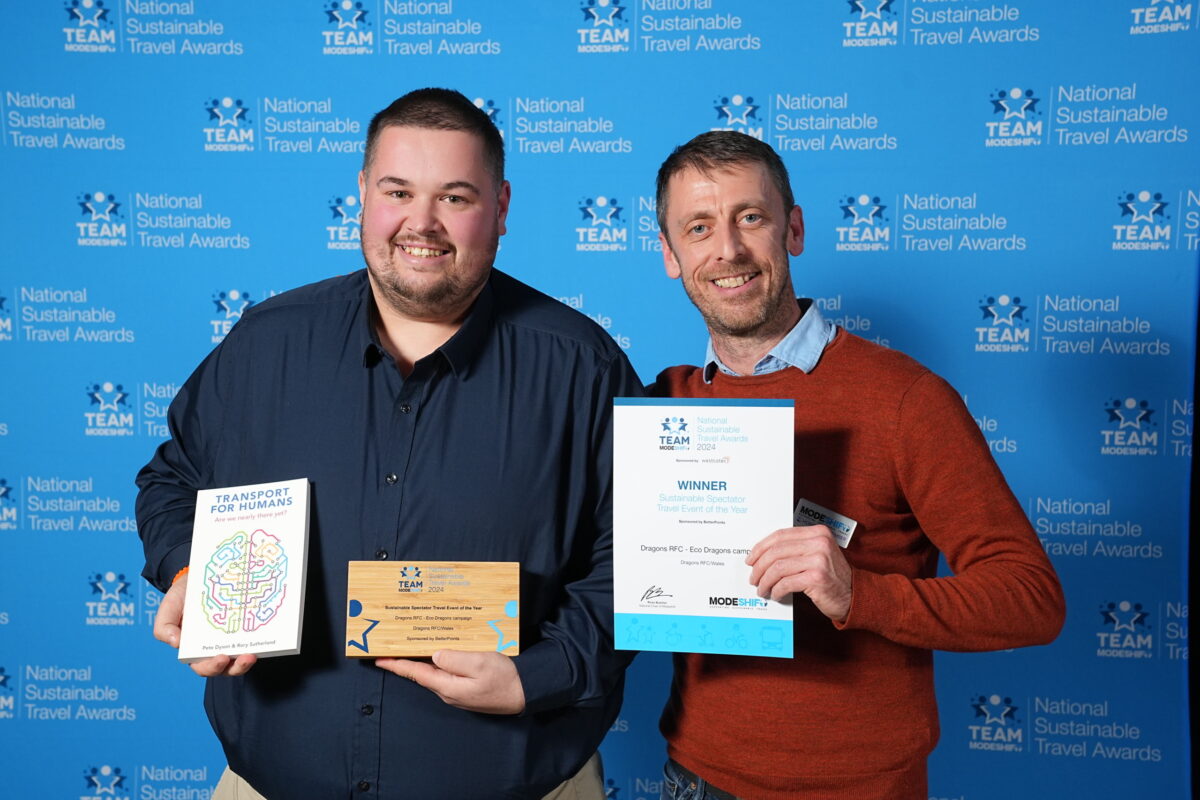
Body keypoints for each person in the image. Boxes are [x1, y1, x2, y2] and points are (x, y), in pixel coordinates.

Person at [136, 88, 642, 800]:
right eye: (398, 191)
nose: (421, 224)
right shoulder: (266, 344)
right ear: (363, 195)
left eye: (455, 197)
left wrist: (541, 672)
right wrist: (193, 571)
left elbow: (640, 561)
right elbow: (173, 479)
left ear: (500, 208)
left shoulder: (583, 368)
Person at [649, 130, 1065, 800]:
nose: (727, 249)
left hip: (856, 787)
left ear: (795, 229)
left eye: (749, 218)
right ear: (671, 255)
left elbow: (1032, 599)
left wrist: (857, 594)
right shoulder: (665, 400)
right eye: (698, 228)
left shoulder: (905, 399)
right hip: (694, 777)